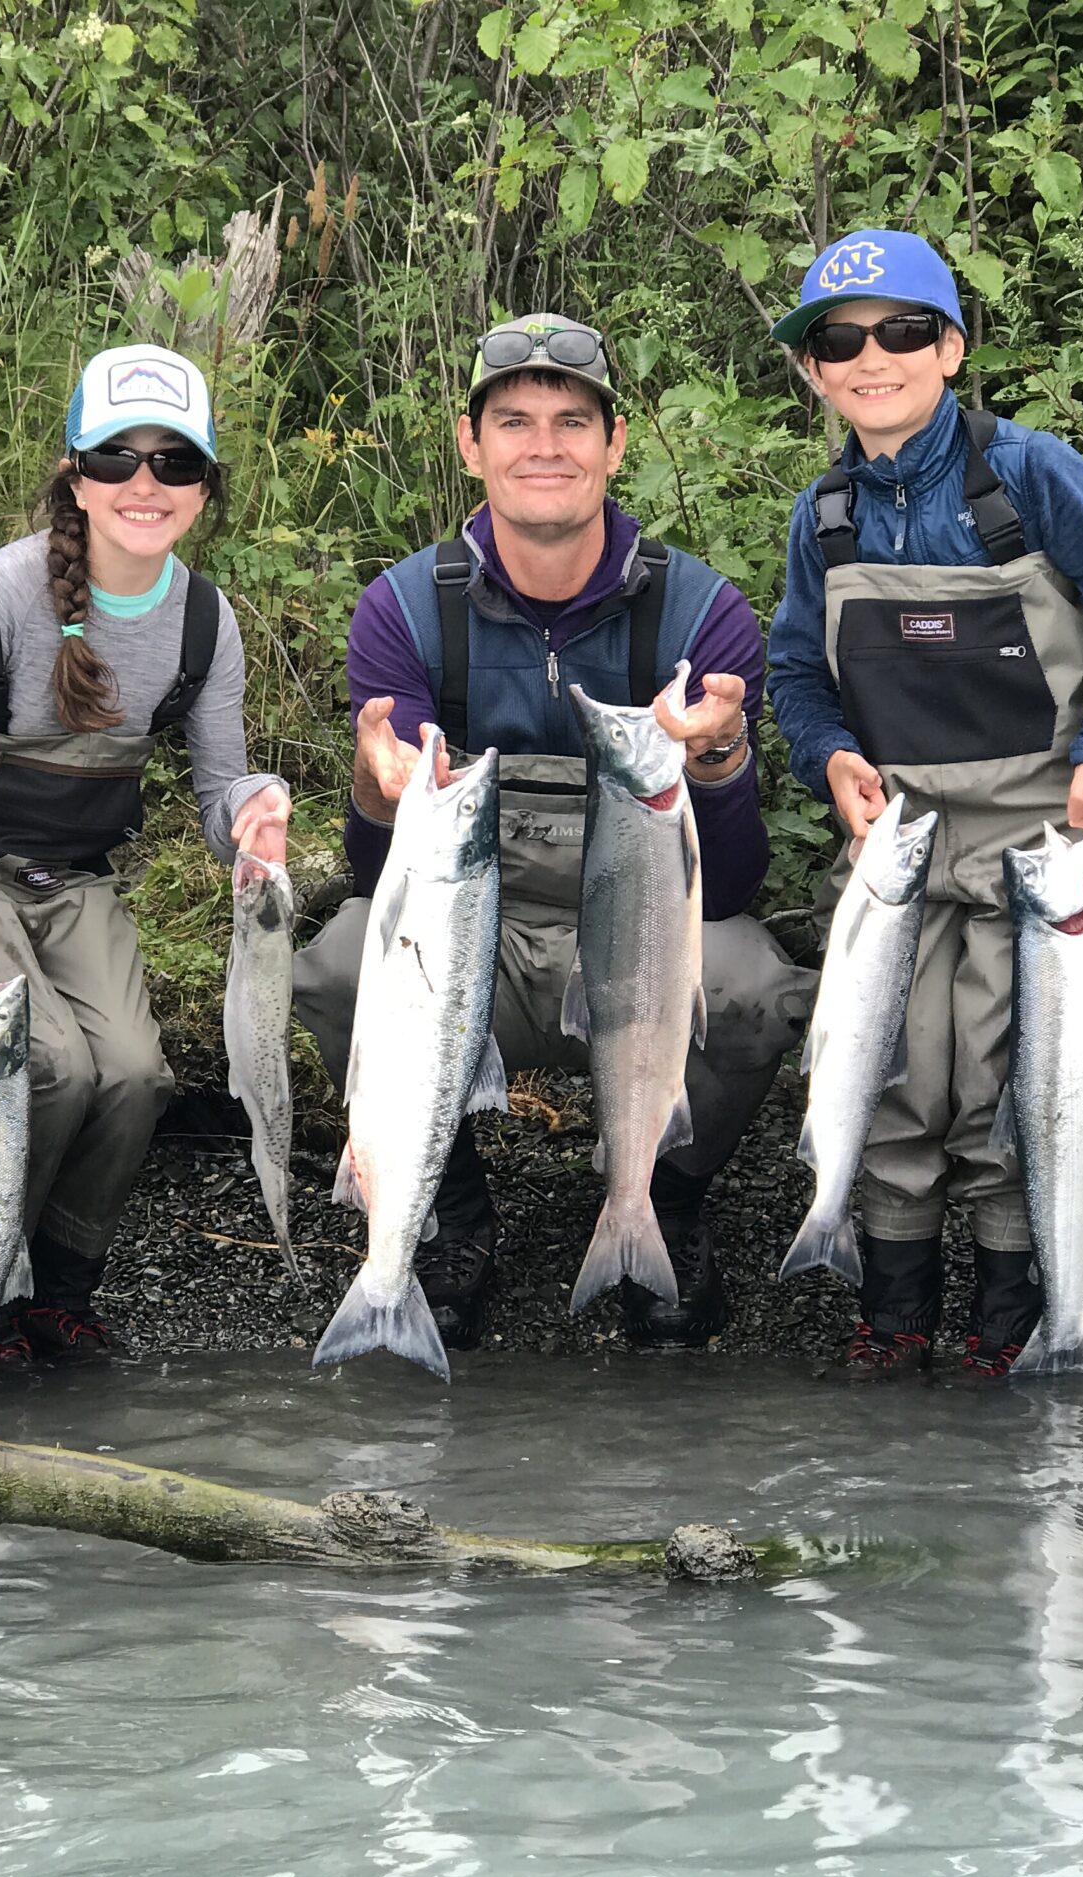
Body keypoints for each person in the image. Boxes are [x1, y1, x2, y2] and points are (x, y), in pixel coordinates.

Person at [291, 313, 815, 1352]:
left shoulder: (701, 613)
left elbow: (738, 880)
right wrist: (374, 786)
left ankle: (656, 1197)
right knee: (337, 965)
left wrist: (711, 761)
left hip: (632, 946)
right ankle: (443, 1211)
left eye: (572, 421)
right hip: (468, 948)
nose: (544, 445)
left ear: (615, 445)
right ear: (468, 442)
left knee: (756, 985)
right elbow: (370, 876)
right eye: (514, 420)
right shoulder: (401, 610)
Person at [764, 230, 1083, 1378]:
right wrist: (828, 758)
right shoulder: (825, 516)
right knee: (896, 1080)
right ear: (814, 371)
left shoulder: (1033, 478)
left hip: (1030, 846)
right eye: (839, 342)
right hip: (894, 847)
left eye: (902, 332)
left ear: (949, 349)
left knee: (1015, 1086)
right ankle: (893, 1315)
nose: (872, 358)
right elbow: (795, 675)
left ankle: (1012, 1322)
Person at [0, 342, 290, 1364]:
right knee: (44, 1063)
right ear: (75, 477)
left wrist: (253, 817)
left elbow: (214, 791)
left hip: (70, 872)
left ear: (204, 488)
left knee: (134, 1074)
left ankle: (63, 1284)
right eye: (116, 460)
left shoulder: (204, 622)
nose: (145, 484)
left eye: (174, 463)